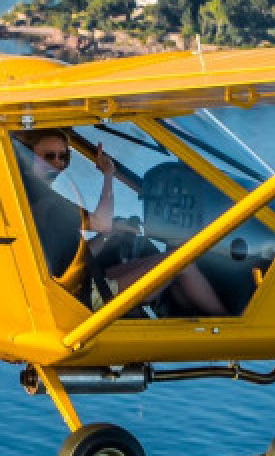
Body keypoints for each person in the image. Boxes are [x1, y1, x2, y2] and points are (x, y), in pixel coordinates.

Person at [17, 129, 227, 316]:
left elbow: (66, 255)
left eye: (64, 157)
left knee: (160, 261)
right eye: (48, 157)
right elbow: (101, 223)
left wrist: (111, 235)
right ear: (26, 155)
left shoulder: (21, 193)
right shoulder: (43, 199)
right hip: (78, 297)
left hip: (72, 286)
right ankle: (227, 325)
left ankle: (196, 319)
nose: (58, 163)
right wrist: (109, 175)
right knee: (183, 263)